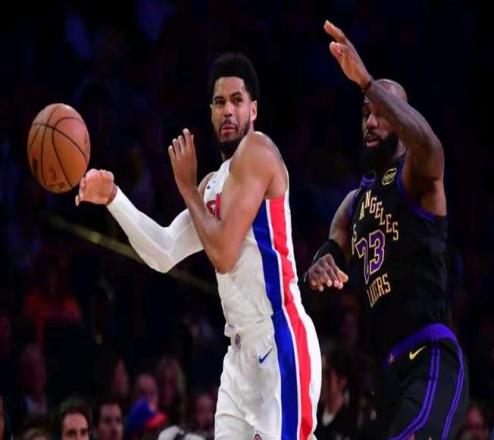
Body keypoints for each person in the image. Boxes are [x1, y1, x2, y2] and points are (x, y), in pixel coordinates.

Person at [76, 52, 321, 439]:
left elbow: (223, 255)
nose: (228, 111)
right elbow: (163, 253)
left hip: (278, 340)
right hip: (238, 354)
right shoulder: (211, 185)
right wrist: (114, 198)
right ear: (210, 112)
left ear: (254, 110)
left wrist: (187, 189)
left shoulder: (257, 151)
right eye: (220, 102)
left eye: (237, 100)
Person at [305, 21, 468, 439]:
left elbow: (429, 145)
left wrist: (367, 83)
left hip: (430, 359)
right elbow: (333, 247)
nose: (372, 121)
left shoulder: (417, 175)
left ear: (402, 120)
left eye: (382, 112)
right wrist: (320, 264)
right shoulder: (354, 202)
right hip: (387, 376)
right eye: (366, 113)